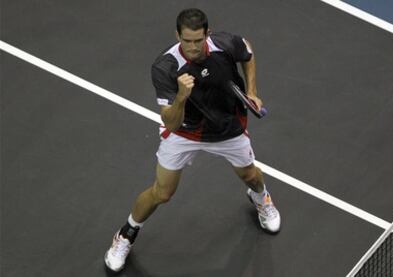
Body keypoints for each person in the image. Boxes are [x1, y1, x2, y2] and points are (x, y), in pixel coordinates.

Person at [104, 8, 281, 272]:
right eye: (187, 41)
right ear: (178, 35)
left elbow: (248, 51)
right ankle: (126, 234)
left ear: (207, 34)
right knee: (162, 192)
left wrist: (252, 91)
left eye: (198, 40)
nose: (193, 46)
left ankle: (262, 199)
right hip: (185, 131)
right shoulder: (165, 67)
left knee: (251, 177)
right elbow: (171, 122)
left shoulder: (224, 44)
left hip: (227, 127)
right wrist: (181, 97)